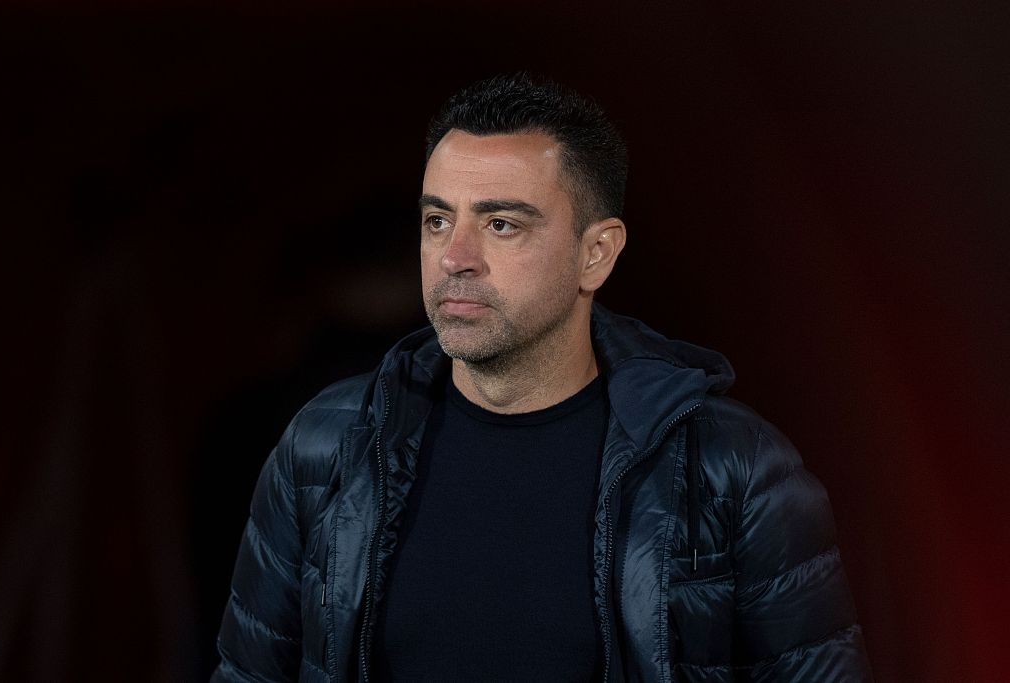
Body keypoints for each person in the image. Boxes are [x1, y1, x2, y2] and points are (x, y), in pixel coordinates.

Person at [212, 73, 873, 682]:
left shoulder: (734, 469)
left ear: (596, 254)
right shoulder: (325, 450)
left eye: (501, 224)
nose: (455, 257)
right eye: (438, 219)